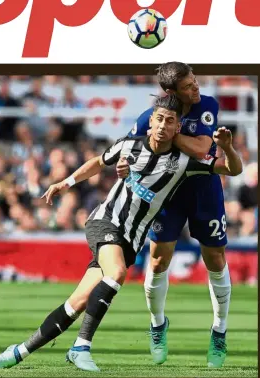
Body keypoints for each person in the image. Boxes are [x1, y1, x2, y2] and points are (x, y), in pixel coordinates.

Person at [0, 95, 242, 372]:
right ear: (150, 122)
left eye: (170, 121)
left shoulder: (185, 162)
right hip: (105, 222)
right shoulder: (129, 145)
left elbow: (232, 169)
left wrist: (227, 148)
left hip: (130, 241)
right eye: (158, 119)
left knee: (77, 304)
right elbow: (99, 161)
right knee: (117, 273)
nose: (162, 126)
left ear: (177, 128)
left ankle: (18, 352)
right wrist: (66, 182)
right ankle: (81, 347)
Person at [117, 62, 232, 368]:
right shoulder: (148, 118)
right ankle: (157, 326)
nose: (196, 88)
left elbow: (202, 148)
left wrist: (166, 132)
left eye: (195, 82)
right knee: (158, 260)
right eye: (188, 86)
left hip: (203, 189)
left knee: (216, 259)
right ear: (170, 92)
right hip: (166, 194)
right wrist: (125, 164)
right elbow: (125, 150)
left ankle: (219, 331)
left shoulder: (206, 105)